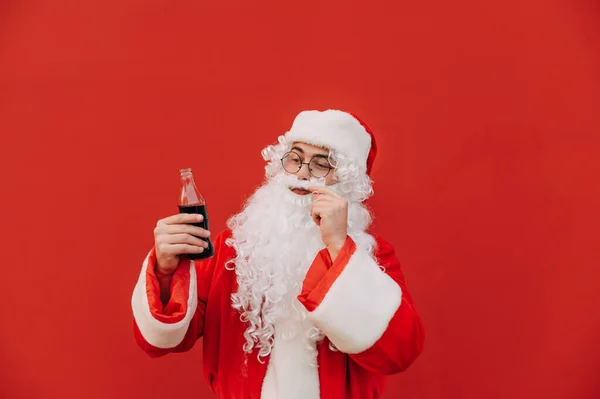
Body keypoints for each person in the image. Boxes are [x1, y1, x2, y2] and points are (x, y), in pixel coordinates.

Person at [131, 109, 425, 399]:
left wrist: (338, 247)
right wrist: (167, 271)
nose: (302, 173)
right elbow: (164, 340)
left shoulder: (372, 256)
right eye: (294, 159)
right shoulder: (234, 249)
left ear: (346, 183)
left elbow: (398, 353)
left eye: (321, 165)